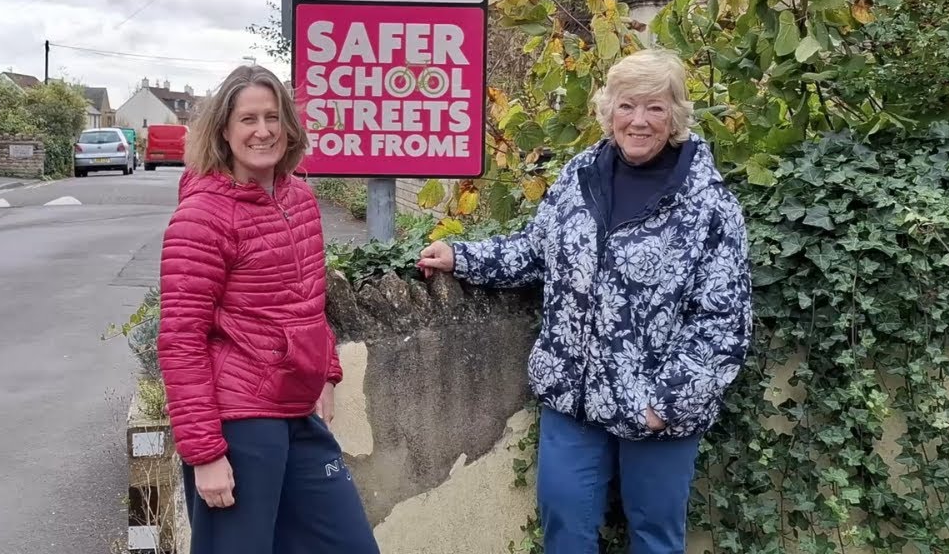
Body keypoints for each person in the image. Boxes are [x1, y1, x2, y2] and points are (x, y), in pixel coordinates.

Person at [418, 48, 753, 554]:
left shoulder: (709, 203)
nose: (639, 120)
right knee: (565, 531)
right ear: (609, 110)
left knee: (655, 540)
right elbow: (536, 251)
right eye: (627, 105)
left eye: (655, 107)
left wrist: (665, 405)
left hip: (656, 407)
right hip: (573, 399)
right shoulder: (580, 175)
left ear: (676, 114)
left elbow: (723, 321)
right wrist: (460, 257)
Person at [157, 65, 379, 554]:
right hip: (239, 419)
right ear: (224, 131)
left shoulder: (298, 196)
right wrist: (205, 454)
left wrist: (326, 369)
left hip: (297, 410)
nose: (263, 131)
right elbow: (181, 340)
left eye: (273, 117)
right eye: (248, 119)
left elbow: (307, 299)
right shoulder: (202, 216)